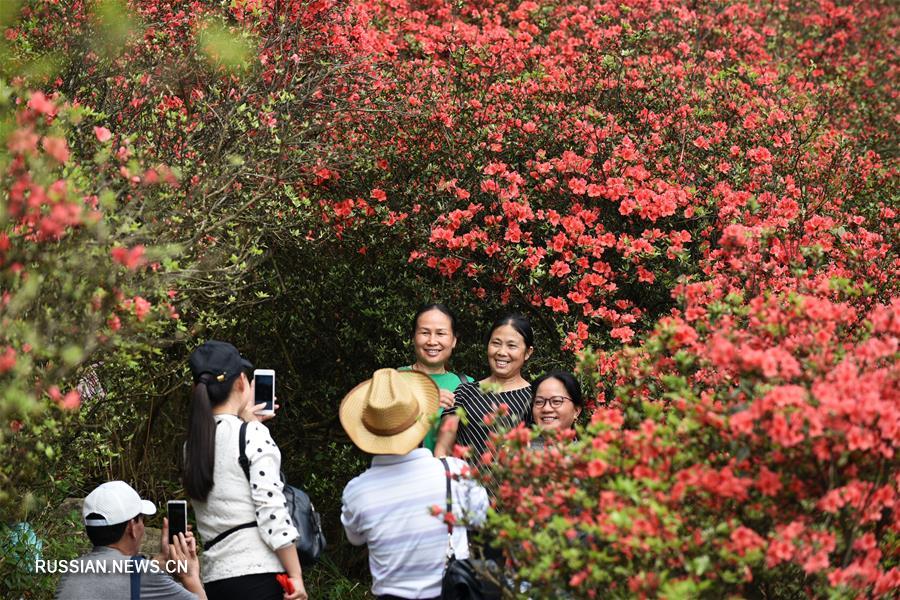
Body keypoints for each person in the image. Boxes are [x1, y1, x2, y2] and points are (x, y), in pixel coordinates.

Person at [340, 368, 489, 600]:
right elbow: (480, 520)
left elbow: (355, 537)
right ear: (422, 421)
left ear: (366, 430)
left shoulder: (356, 492)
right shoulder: (455, 473)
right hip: (452, 592)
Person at [184, 340, 307, 600]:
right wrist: (296, 576)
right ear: (242, 382)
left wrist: (249, 422)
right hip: (260, 576)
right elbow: (272, 511)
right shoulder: (251, 435)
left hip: (216, 579)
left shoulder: (191, 445)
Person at [56, 480, 205, 600]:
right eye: (141, 519)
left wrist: (159, 561)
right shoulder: (142, 573)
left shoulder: (71, 571)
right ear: (132, 527)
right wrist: (190, 575)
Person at [434, 314, 535, 460]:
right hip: (464, 481)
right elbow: (442, 450)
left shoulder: (534, 398)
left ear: (528, 353)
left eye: (511, 345)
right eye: (496, 343)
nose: (501, 352)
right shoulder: (465, 392)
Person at [398, 303, 467, 452]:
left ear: (454, 340)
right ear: (413, 337)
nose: (432, 341)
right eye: (425, 333)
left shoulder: (466, 384)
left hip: (448, 474)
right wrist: (424, 403)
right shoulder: (393, 380)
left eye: (440, 333)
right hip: (400, 473)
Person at [529, 370, 583, 448]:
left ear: (576, 411)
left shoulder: (588, 455)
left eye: (556, 401)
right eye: (539, 402)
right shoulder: (518, 454)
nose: (546, 409)